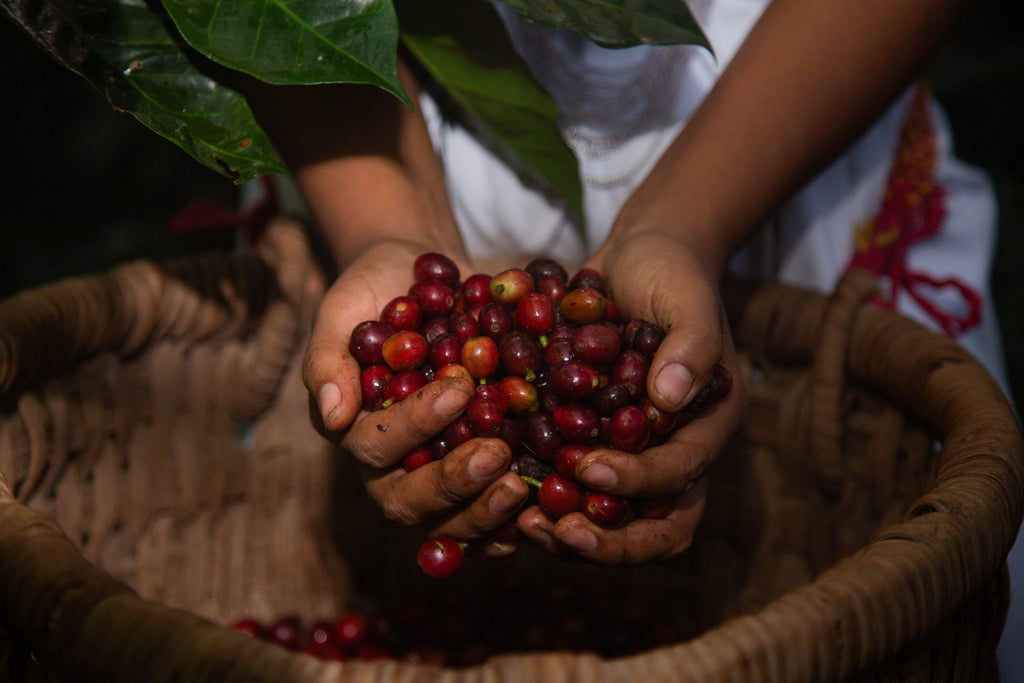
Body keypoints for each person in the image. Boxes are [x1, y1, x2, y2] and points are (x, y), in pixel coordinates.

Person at [240, 0, 1019, 674]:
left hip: (794, 125)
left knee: (929, 588)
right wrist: (388, 223)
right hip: (390, 142)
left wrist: (684, 223)